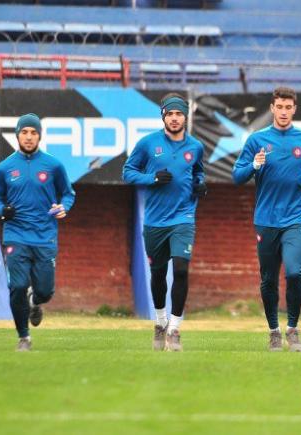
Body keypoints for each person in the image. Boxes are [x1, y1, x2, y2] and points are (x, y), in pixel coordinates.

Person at [232, 86, 301, 352]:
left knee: (295, 272)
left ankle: (293, 329)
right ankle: (274, 331)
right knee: (269, 279)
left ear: (294, 109)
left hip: (298, 217)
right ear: (272, 108)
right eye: (280, 107)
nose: (284, 112)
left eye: (289, 107)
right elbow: (237, 176)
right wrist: (254, 165)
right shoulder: (256, 140)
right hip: (267, 219)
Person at [123, 93, 206, 352]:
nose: (174, 118)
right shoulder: (148, 144)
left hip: (183, 218)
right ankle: (159, 322)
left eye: (178, 113)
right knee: (158, 274)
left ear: (185, 116)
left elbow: (199, 171)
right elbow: (128, 172)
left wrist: (200, 184)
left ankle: (175, 329)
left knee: (181, 269)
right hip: (156, 221)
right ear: (163, 116)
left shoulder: (195, 147)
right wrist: (152, 178)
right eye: (169, 114)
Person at [0, 113, 75, 351]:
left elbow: (68, 194)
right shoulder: (4, 168)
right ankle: (23, 337)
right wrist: (2, 210)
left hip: (45, 236)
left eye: (33, 132)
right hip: (15, 235)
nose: (29, 137)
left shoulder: (53, 165)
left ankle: (35, 301)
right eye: (24, 132)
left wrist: (63, 207)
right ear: (17, 135)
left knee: (45, 291)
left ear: (39, 135)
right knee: (16, 286)